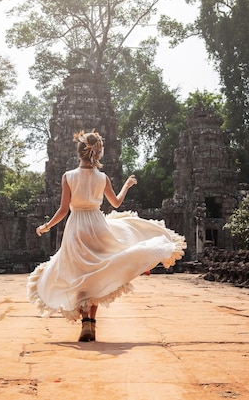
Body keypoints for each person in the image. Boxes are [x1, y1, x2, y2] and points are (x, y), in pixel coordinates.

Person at [27, 130, 186, 342]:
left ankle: (85, 323)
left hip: (76, 228)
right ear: (98, 153)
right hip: (97, 225)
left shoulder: (68, 177)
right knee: (97, 271)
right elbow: (116, 203)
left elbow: (63, 210)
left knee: (80, 274)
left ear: (79, 153)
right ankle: (91, 323)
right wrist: (127, 186)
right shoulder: (102, 178)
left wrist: (46, 226)